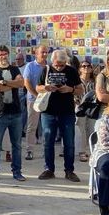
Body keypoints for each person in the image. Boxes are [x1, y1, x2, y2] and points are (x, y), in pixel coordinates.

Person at [36, 50, 83, 182]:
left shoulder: (71, 71)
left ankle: (69, 170)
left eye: (62, 65)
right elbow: (37, 87)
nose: (59, 67)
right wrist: (46, 88)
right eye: (57, 65)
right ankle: (48, 169)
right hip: (48, 111)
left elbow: (81, 89)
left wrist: (70, 89)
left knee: (69, 142)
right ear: (52, 61)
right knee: (48, 142)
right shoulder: (46, 70)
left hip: (67, 111)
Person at [0, 45, 26, 181]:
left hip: (15, 112)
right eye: (0, 54)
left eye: (5, 54)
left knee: (17, 145)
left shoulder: (14, 69)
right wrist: (12, 83)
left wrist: (5, 82)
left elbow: (21, 83)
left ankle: (17, 172)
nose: (3, 56)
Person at [22, 45, 50, 161]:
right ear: (36, 54)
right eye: (42, 52)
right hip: (33, 100)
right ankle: (29, 150)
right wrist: (35, 95)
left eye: (46, 52)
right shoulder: (30, 66)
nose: (44, 54)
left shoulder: (50, 66)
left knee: (46, 127)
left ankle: (46, 150)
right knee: (32, 126)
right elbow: (26, 82)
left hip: (48, 101)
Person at [75, 60, 97, 163]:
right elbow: (73, 93)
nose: (86, 68)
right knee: (81, 130)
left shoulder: (95, 81)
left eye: (88, 66)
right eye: (83, 66)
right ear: (80, 69)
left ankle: (92, 151)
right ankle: (82, 152)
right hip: (80, 107)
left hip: (92, 108)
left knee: (92, 130)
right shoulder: (76, 80)